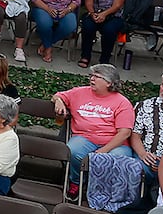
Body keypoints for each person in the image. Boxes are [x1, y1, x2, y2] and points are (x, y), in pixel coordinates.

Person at [54, 64, 135, 196]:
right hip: (85, 138)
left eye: (97, 77)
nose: (92, 79)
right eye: (91, 76)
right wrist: (59, 101)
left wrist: (103, 151)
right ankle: (76, 182)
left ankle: (103, 192)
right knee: (73, 150)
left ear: (109, 83)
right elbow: (58, 95)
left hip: (114, 143)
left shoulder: (122, 103)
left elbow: (125, 132)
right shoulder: (79, 92)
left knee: (118, 158)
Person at [79, 0, 127, 68]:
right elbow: (88, 2)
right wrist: (93, 13)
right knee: (88, 27)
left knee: (109, 30)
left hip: (113, 15)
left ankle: (105, 59)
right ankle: (85, 56)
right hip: (94, 13)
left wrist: (104, 14)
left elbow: (117, 5)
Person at [131, 71, 163, 187]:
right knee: (136, 169)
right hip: (148, 159)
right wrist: (143, 154)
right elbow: (135, 135)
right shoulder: (144, 106)